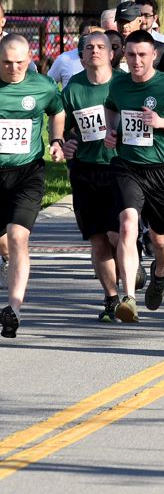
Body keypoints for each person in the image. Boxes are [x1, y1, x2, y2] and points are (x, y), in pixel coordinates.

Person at [103, 30, 164, 322]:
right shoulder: (118, 83)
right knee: (127, 224)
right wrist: (111, 131)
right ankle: (129, 298)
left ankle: (159, 273)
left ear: (154, 55)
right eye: (130, 54)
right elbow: (111, 109)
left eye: (142, 55)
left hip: (161, 171)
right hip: (127, 165)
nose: (136, 61)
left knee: (160, 240)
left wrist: (162, 122)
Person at [0, 34, 65, 338]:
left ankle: (13, 309)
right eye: (6, 63)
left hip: (28, 173)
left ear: (29, 60)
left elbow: (58, 110)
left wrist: (56, 139)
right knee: (4, 242)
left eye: (19, 63)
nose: (13, 68)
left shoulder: (42, 86)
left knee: (17, 237)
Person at [60, 32, 128, 321]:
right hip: (86, 170)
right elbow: (62, 124)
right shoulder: (73, 87)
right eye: (89, 48)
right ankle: (111, 299)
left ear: (112, 53)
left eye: (101, 47)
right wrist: (66, 141)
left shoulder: (124, 84)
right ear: (82, 55)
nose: (95, 52)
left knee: (117, 234)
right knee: (98, 239)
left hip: (119, 167)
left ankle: (130, 270)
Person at [114, 1, 164, 79]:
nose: (124, 26)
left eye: (128, 21)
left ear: (140, 21)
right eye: (120, 22)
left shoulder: (161, 49)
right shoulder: (110, 48)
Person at [47, 20, 101, 88]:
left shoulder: (105, 60)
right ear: (79, 37)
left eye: (94, 35)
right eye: (85, 35)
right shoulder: (64, 59)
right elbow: (47, 85)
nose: (90, 39)